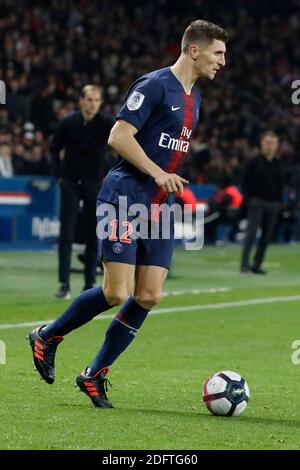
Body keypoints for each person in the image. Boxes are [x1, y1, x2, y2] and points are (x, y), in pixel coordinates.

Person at [28, 20, 228, 408]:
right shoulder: (153, 85)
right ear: (194, 50)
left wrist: (168, 183)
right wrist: (158, 173)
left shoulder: (195, 97)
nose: (223, 61)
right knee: (115, 291)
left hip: (158, 206)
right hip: (124, 196)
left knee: (149, 295)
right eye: (218, 53)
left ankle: (94, 373)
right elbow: (119, 136)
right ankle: (48, 335)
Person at [50, 85, 114, 299]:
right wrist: (58, 173)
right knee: (66, 234)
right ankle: (63, 284)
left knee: (93, 233)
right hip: (69, 182)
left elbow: (121, 141)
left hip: (94, 183)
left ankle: (89, 284)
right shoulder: (69, 122)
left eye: (97, 100)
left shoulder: (106, 123)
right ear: (81, 101)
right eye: (89, 99)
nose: (93, 104)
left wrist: (111, 172)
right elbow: (54, 148)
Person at [240, 131, 283, 274]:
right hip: (256, 202)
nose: (270, 146)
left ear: (277, 145)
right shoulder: (254, 161)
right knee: (251, 233)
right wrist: (249, 199)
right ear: (262, 144)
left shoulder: (279, 163)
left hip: (273, 203)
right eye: (267, 142)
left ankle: (257, 264)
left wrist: (280, 202)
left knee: (267, 236)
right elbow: (244, 181)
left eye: (273, 143)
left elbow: (282, 184)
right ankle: (244, 265)